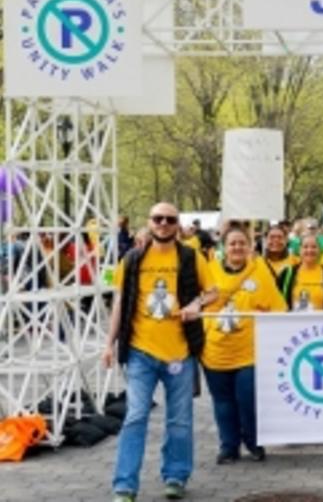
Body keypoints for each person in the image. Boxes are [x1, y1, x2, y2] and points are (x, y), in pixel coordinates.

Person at [102, 202, 218, 502]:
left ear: (177, 224)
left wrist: (196, 305)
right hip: (141, 352)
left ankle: (176, 476)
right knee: (136, 416)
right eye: (158, 218)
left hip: (180, 352)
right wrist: (108, 344)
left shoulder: (191, 257)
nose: (164, 223)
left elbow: (214, 291)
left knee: (179, 419)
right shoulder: (132, 259)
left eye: (169, 219)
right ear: (150, 222)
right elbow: (119, 304)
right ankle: (125, 485)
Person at [202, 225, 287, 465]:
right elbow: (199, 304)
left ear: (250, 247)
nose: (237, 247)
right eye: (232, 243)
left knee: (247, 400)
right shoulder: (209, 272)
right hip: (215, 352)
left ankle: (253, 442)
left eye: (242, 243)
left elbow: (278, 308)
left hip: (250, 352)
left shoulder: (260, 273)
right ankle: (228, 447)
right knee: (223, 403)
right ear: (224, 248)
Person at [278, 233, 323, 311]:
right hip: (294, 322)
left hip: (322, 322)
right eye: (305, 247)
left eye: (314, 247)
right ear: (299, 250)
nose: (309, 250)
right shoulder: (287, 274)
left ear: (320, 250)